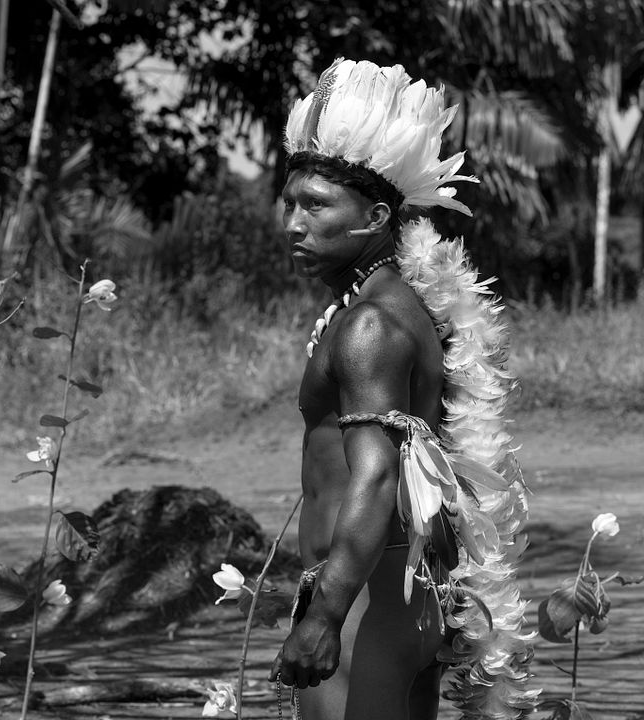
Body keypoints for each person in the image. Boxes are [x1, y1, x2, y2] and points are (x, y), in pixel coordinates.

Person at [267, 59, 535, 720]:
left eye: (317, 205)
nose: (293, 224)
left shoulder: (368, 326)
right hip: (409, 595)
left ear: (377, 213)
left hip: (366, 599)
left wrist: (325, 613)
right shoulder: (404, 302)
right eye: (290, 202)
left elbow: (379, 475)